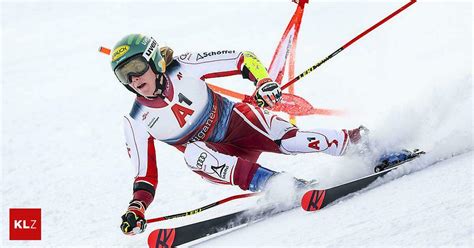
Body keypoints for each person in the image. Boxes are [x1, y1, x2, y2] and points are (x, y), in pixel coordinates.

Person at [111, 34, 365, 235]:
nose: (133, 79)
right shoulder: (135, 121)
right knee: (192, 153)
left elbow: (243, 58)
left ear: (153, 59)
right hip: (217, 159)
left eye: (136, 67)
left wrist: (263, 81)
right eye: (124, 74)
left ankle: (360, 142)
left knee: (293, 140)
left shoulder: (184, 66)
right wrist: (137, 208)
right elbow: (145, 176)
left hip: (239, 124)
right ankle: (282, 186)